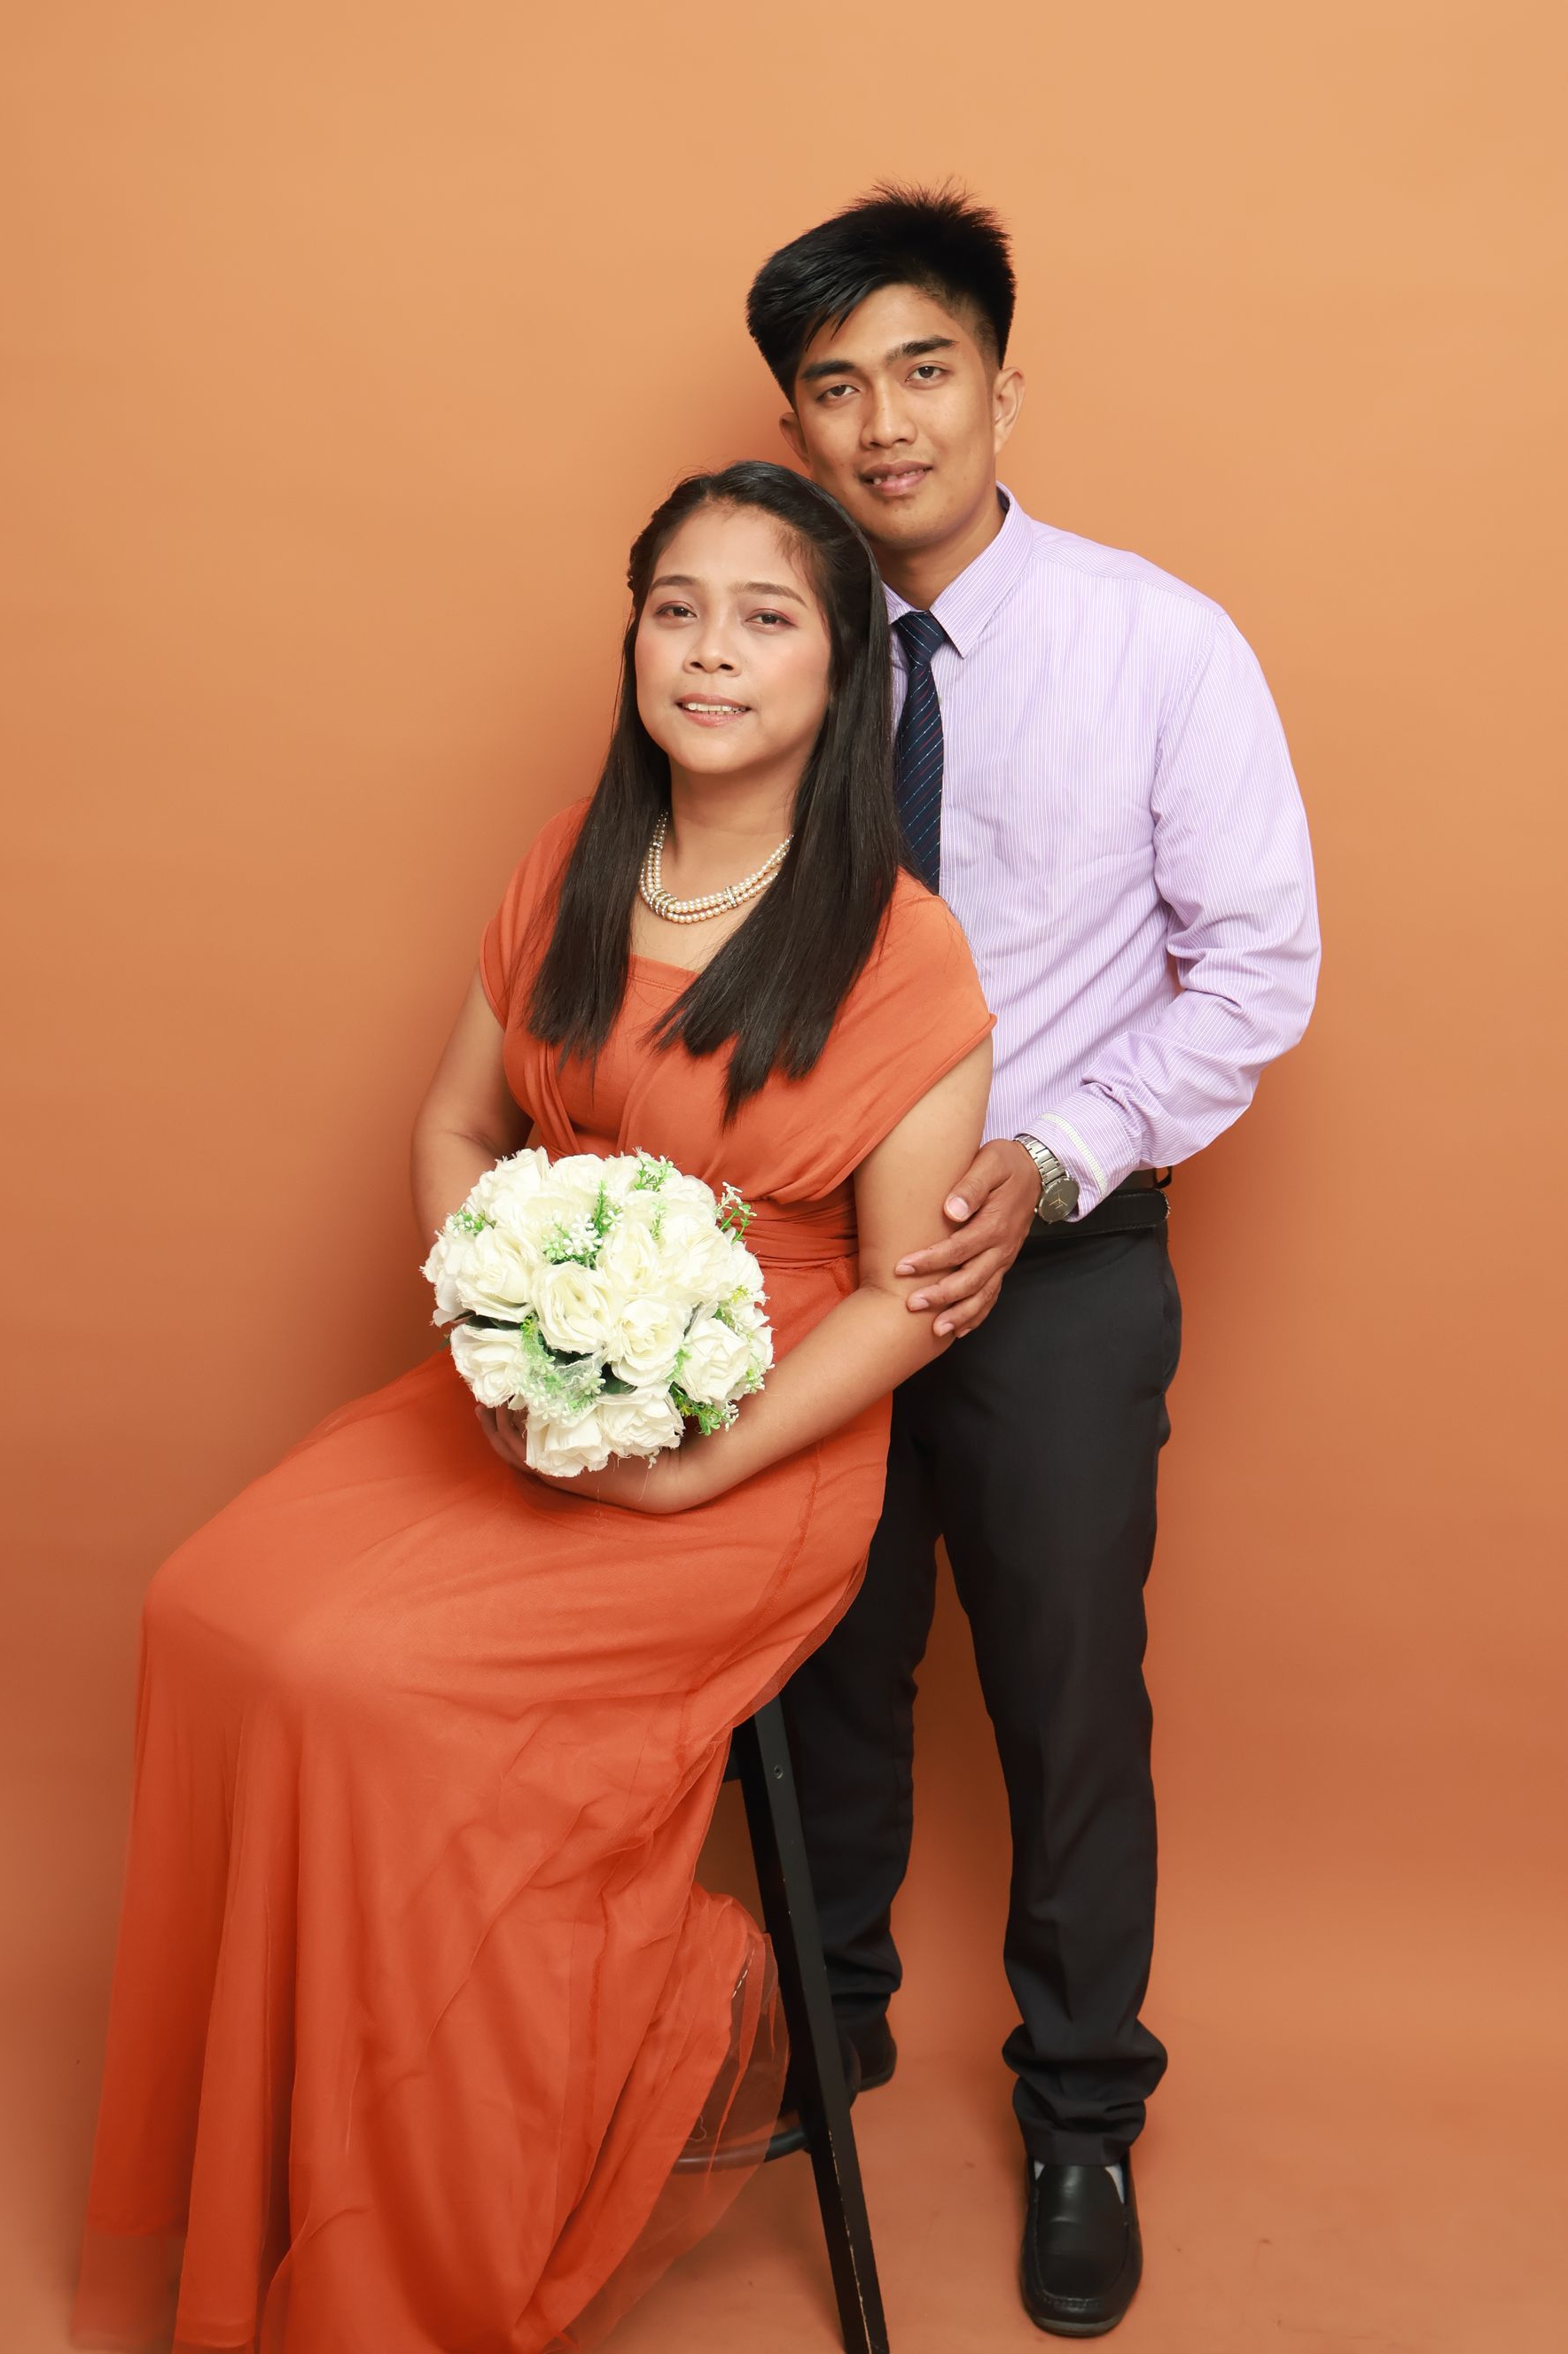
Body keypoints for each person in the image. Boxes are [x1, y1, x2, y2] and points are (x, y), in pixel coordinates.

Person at [72, 460, 995, 2354]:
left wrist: (693, 1469)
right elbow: (454, 1125)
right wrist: (506, 1330)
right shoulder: (576, 856)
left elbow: (907, 1297)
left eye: (766, 616)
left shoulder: (900, 944)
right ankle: (283, 2173)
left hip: (753, 1445)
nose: (710, 650)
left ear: (842, 670)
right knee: (209, 1607)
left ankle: (540, 2126)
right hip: (525, 1387)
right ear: (632, 639)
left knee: (372, 1687)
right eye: (676, 608)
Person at [745, 188, 1321, 2336]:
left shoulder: (1155, 641)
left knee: (1064, 1684)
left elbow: (1254, 964)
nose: (883, 421)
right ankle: (822, 2033)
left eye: (924, 368)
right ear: (795, 426)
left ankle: (1082, 2105)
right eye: (835, 387)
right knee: (815, 1650)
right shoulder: (769, 637)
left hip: (1055, 1252)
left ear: (1001, 383)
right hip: (810, 1248)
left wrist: (1053, 1155)